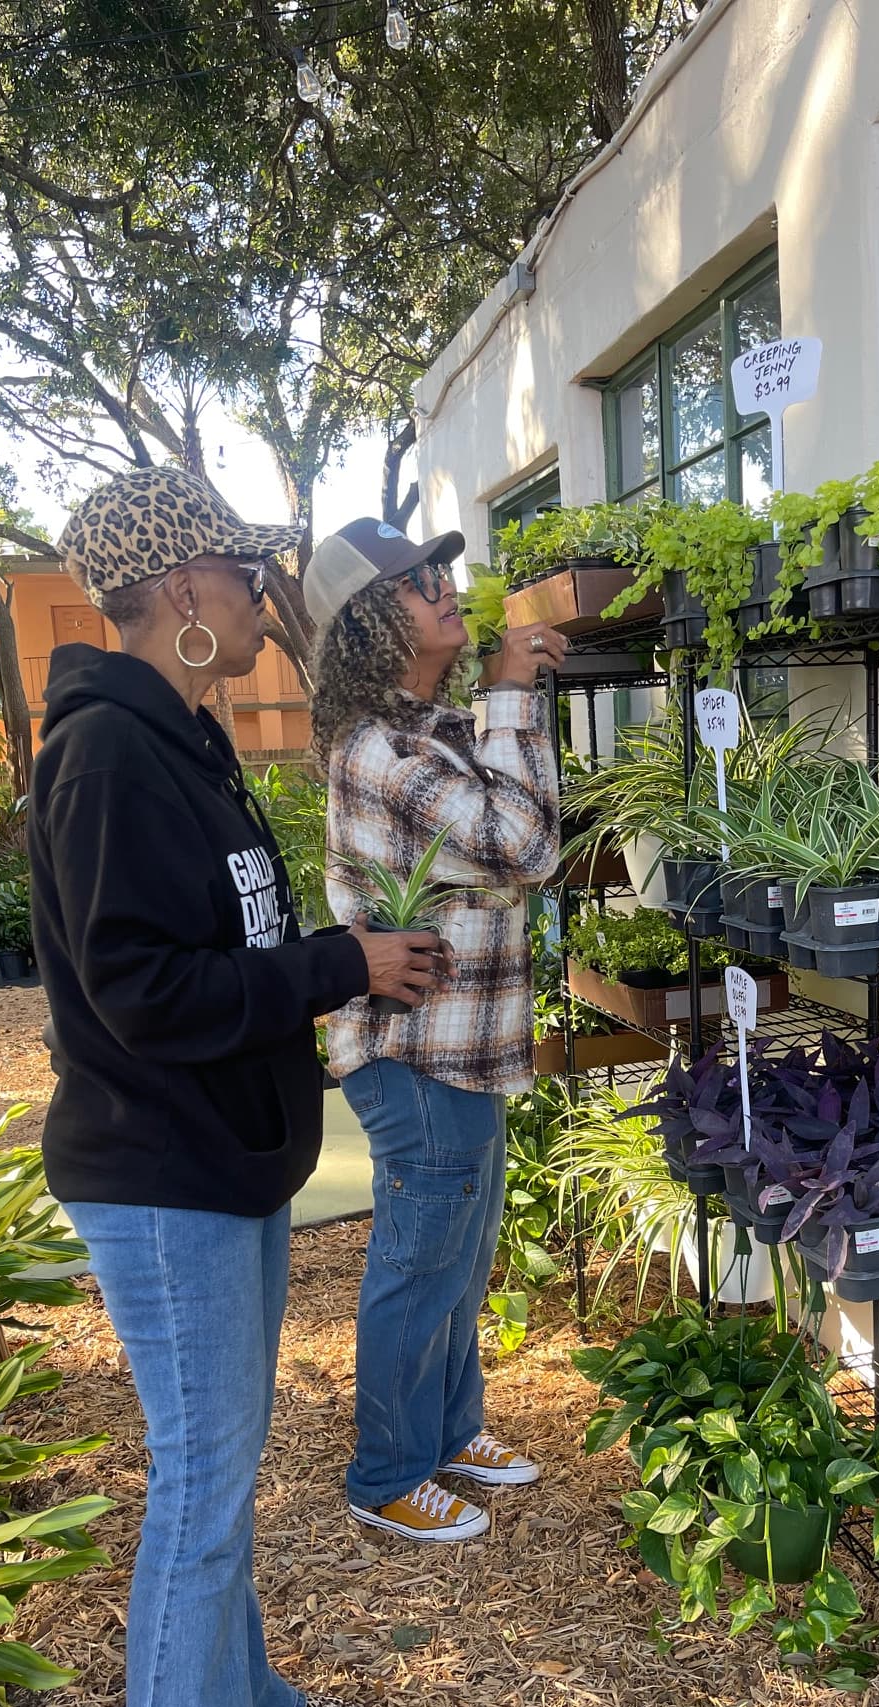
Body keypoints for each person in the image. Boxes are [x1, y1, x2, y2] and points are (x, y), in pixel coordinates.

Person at [31, 468, 442, 1707]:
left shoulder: (180, 741)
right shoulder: (107, 757)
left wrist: (322, 958)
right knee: (200, 1503)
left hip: (219, 1165)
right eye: (245, 572)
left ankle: (246, 1706)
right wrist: (338, 967)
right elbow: (144, 992)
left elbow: (216, 943)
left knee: (223, 1479)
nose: (268, 598)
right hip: (164, 1179)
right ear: (183, 591)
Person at [304, 517, 567, 1542]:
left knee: (459, 1260)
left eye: (438, 570)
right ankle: (386, 1475)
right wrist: (513, 697)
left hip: (467, 1050)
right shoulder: (379, 748)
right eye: (418, 580)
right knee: (419, 1267)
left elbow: (522, 829)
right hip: (416, 1054)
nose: (444, 587)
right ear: (370, 619)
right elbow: (524, 845)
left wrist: (500, 706)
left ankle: (450, 1432)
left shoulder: (442, 726)